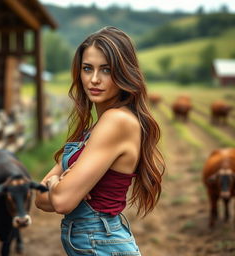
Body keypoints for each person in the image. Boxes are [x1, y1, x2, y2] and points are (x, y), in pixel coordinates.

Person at [35, 26, 165, 256]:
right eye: (87, 69)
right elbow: (38, 198)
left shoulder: (116, 121)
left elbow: (61, 202)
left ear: (124, 73)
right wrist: (60, 188)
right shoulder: (94, 128)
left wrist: (56, 183)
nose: (94, 80)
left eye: (106, 70)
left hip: (102, 244)